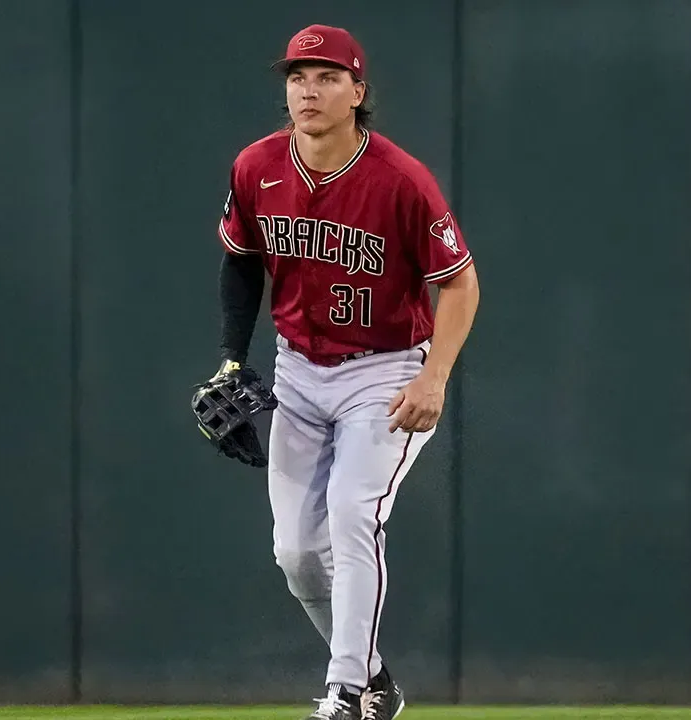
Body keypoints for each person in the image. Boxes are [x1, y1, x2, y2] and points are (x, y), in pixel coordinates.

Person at [211, 23, 480, 720]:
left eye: (328, 77)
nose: (309, 89)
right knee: (297, 552)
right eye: (298, 77)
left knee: (353, 515)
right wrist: (232, 359)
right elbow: (241, 261)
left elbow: (460, 283)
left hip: (384, 371)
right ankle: (377, 678)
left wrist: (435, 378)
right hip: (298, 368)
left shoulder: (400, 179)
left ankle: (345, 691)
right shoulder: (256, 167)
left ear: (358, 92)